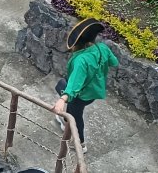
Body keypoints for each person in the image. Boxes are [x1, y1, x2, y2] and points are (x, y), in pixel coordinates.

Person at [51, 18, 119, 152]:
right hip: (94, 91)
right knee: (62, 86)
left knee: (75, 116)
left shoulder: (81, 61)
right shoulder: (102, 48)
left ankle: (80, 144)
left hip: (81, 95)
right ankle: (66, 120)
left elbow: (74, 86)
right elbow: (114, 62)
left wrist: (61, 99)